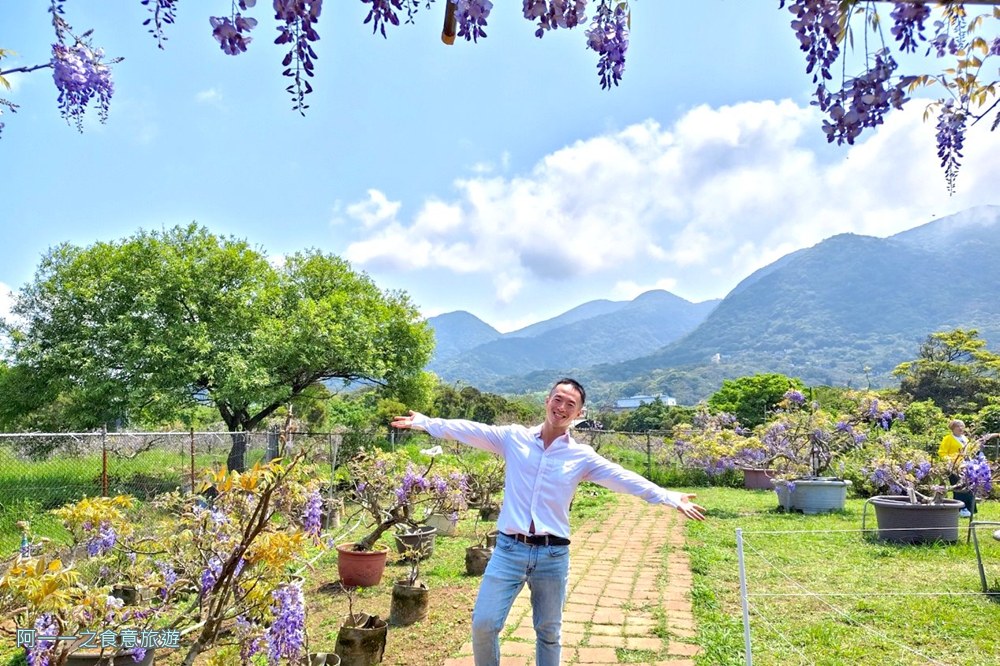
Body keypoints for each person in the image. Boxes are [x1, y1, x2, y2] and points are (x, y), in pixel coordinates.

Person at [391, 378, 706, 666]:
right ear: (547, 401)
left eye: (571, 404)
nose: (562, 407)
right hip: (508, 551)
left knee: (549, 632)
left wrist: (666, 495)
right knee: (484, 624)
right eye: (558, 399)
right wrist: (425, 423)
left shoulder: (581, 456)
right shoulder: (514, 438)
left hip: (553, 556)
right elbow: (471, 430)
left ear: (579, 412)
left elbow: (621, 477)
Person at [938, 418, 975, 518]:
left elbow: (970, 451)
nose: (961, 428)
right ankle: (960, 508)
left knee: (969, 486)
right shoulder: (948, 438)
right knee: (959, 486)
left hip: (967, 466)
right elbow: (942, 452)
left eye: (962, 426)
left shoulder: (965, 439)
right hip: (954, 467)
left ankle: (970, 507)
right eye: (958, 426)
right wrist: (950, 461)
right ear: (953, 428)